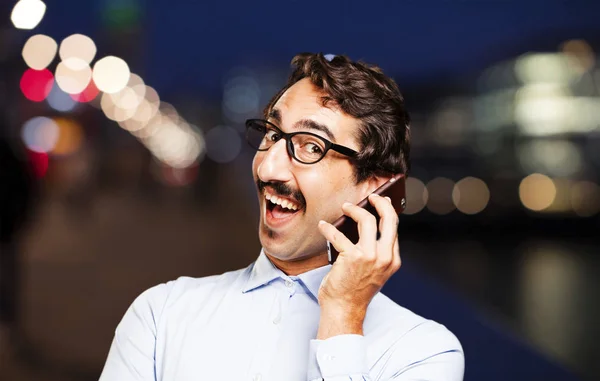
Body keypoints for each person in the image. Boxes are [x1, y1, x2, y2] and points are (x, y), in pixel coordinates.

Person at [99, 53, 464, 381]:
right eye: (272, 135)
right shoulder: (161, 314)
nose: (269, 167)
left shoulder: (423, 352)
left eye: (311, 146)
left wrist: (343, 316)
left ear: (374, 189)